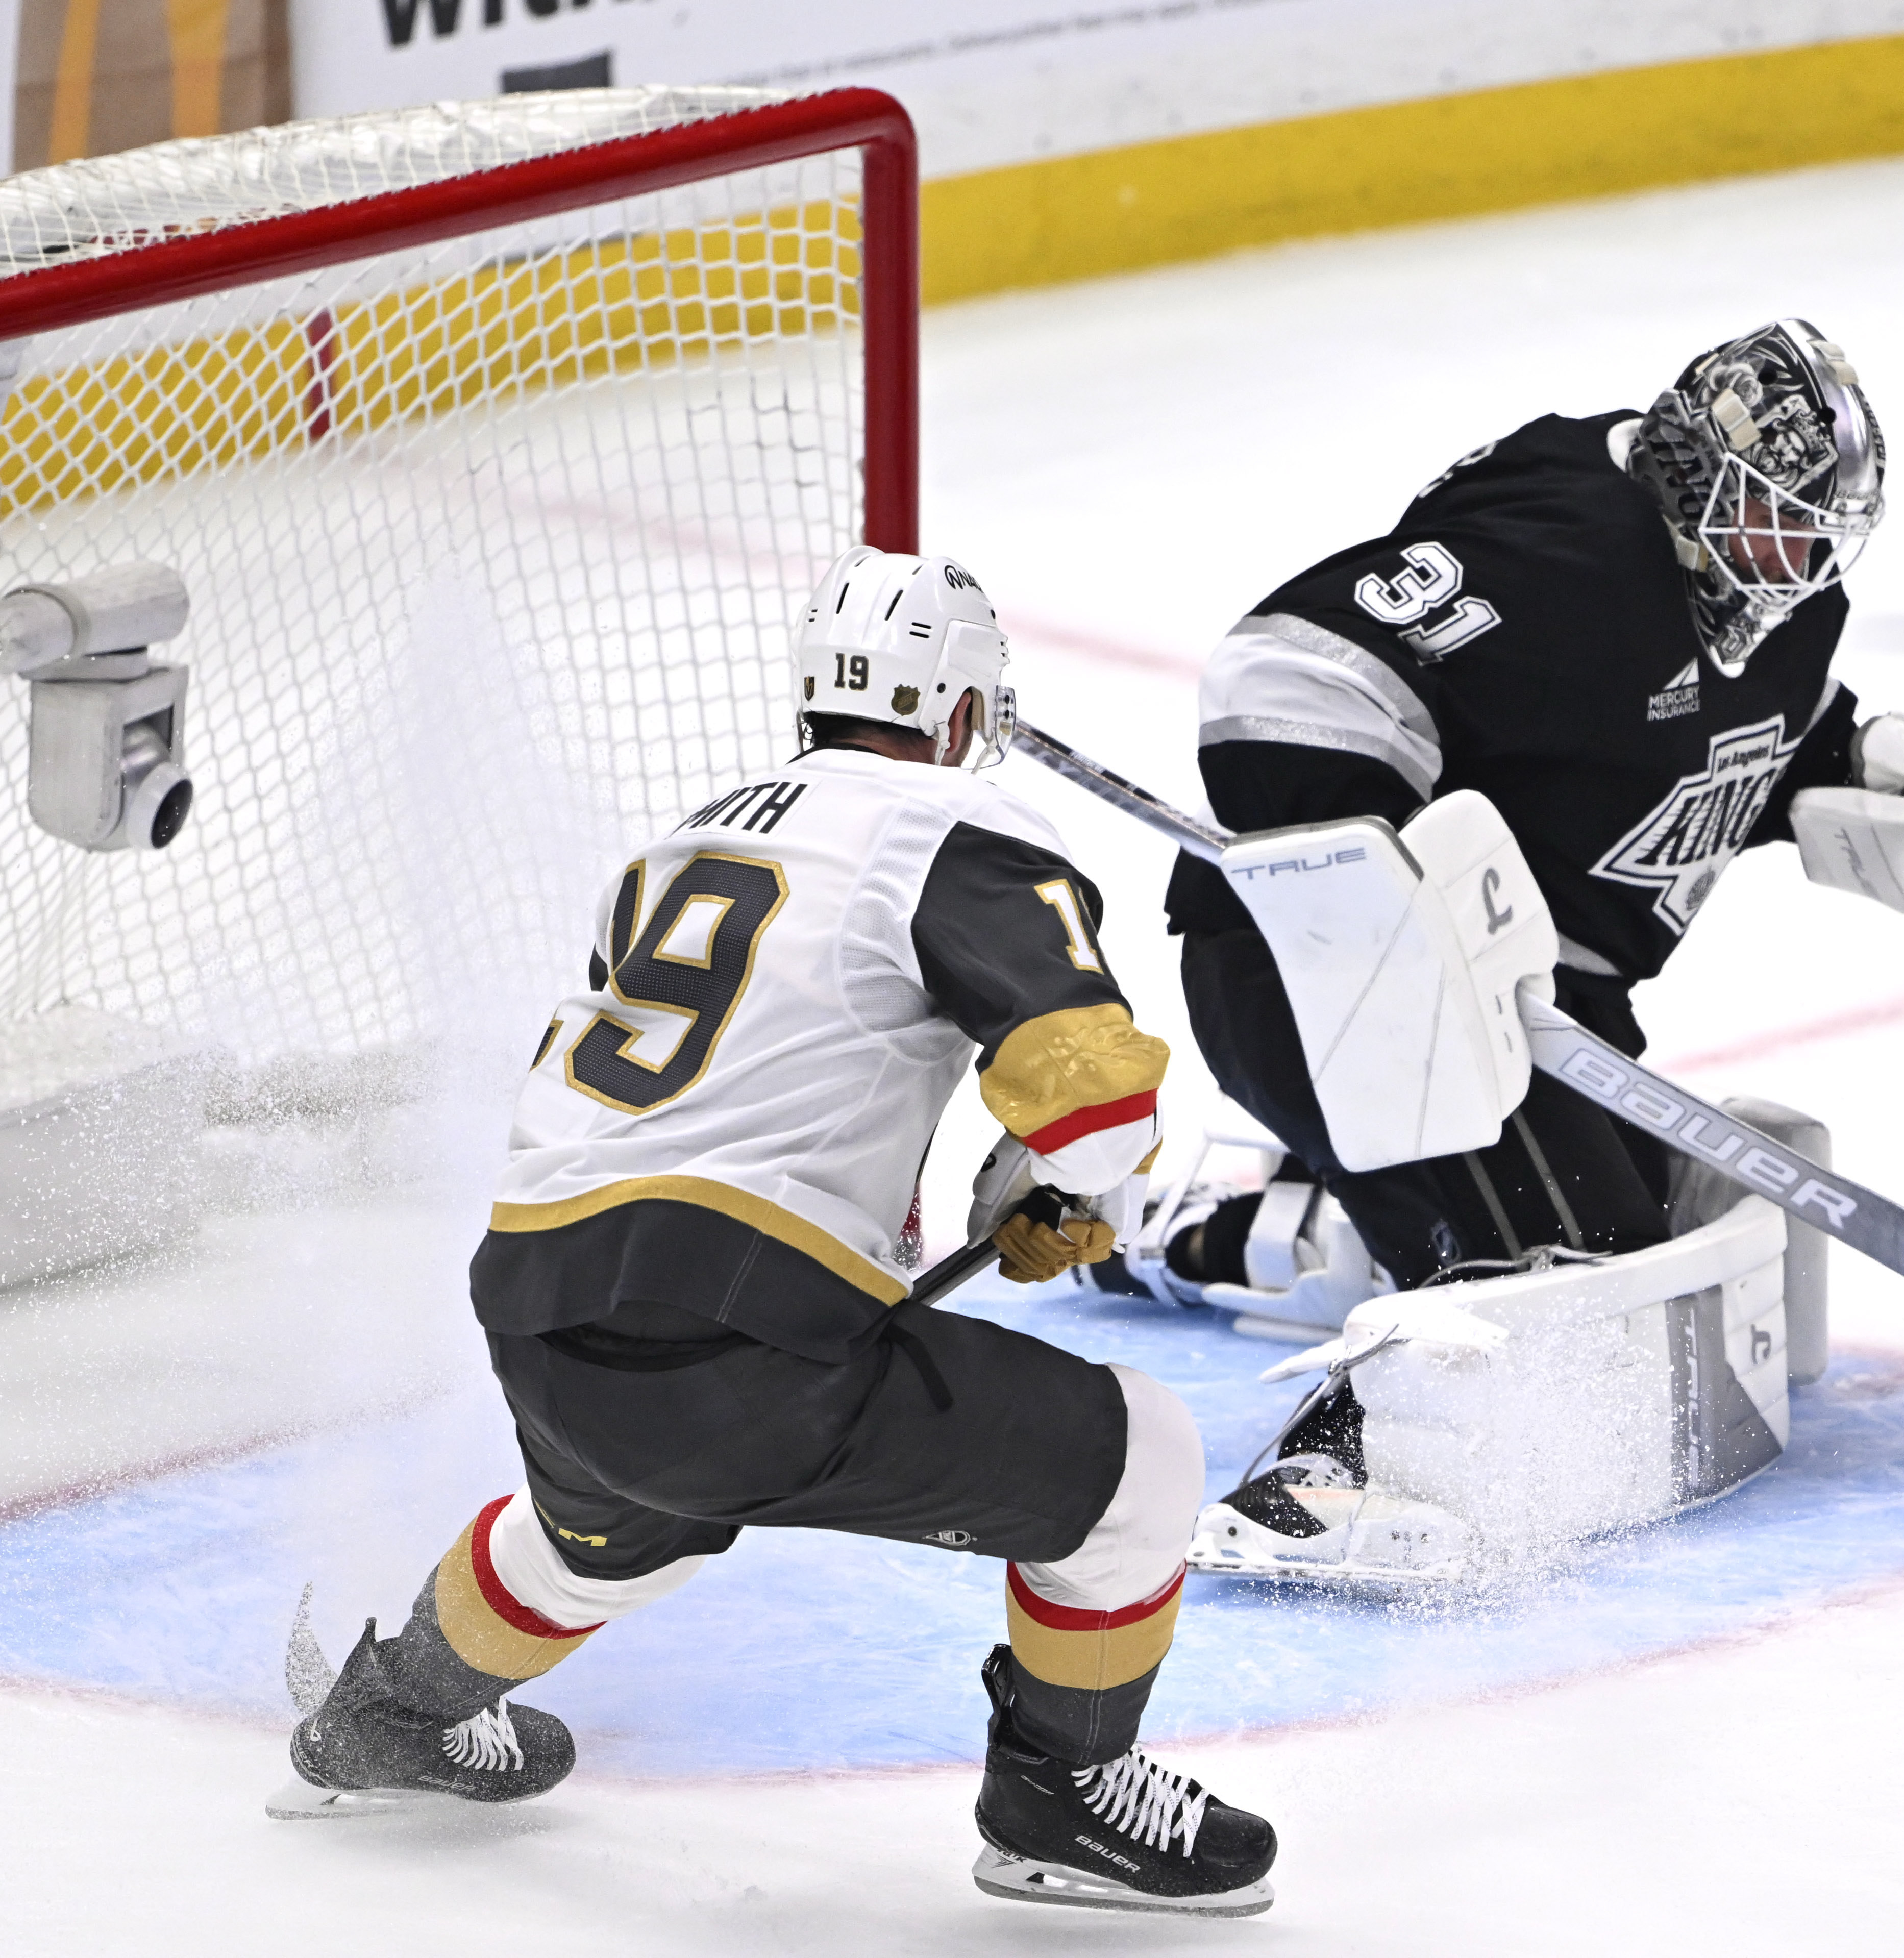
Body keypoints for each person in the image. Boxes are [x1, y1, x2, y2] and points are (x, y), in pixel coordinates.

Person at [278, 548, 1279, 1918]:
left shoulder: (674, 847)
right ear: (965, 710)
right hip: (740, 1344)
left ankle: (390, 1713)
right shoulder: (957, 836)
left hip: (539, 1309)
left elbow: (693, 1106)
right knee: (1141, 1456)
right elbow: (1100, 1106)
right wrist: (1067, 1192)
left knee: (610, 1524)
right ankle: (1062, 1794)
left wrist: (997, 1193)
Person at [1089, 319, 1904, 1552]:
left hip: (1531, 1010)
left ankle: (1222, 1227)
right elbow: (1284, 672)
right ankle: (1334, 1475)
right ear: (1696, 473)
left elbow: (1762, 734)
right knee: (1556, 1277)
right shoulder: (1564, 549)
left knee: (1620, 1229)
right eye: (1774, 518)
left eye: (1818, 529)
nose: (1797, 555)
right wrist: (1384, 893)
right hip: (1330, 980)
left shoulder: (1779, 599)